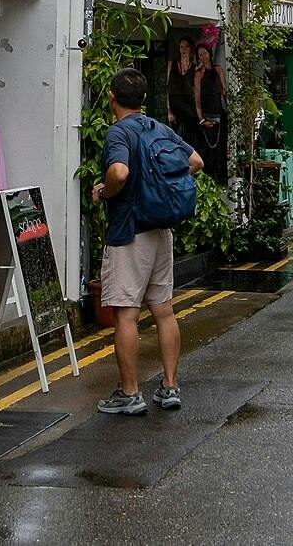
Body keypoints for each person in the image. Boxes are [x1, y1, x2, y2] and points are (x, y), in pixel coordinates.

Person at [93, 67, 202, 415]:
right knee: (164, 311)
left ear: (112, 98)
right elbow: (195, 161)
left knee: (126, 315)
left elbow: (119, 172)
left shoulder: (118, 133)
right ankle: (170, 387)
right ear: (142, 99)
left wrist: (106, 192)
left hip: (130, 232)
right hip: (161, 230)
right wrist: (160, 188)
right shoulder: (159, 128)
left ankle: (130, 393)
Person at [189, 42, 228, 181]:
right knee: (208, 149)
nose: (203, 56)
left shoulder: (217, 69)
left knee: (221, 148)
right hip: (206, 115)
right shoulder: (199, 74)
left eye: (205, 53)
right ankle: (210, 176)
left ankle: (221, 176)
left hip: (219, 113)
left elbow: (224, 90)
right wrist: (201, 120)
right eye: (200, 54)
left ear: (209, 53)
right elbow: (197, 99)